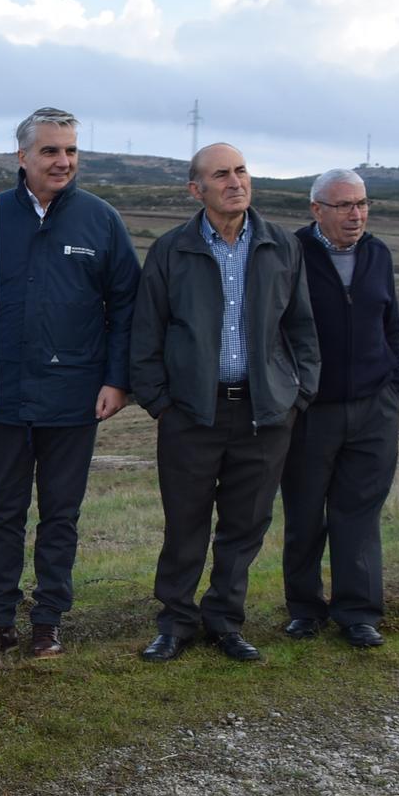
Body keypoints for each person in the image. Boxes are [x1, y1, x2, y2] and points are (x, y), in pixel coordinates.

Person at [130, 143, 320, 663]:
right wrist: (161, 403)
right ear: (197, 190)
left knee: (245, 524)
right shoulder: (172, 249)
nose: (236, 181)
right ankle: (175, 622)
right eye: (221, 174)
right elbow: (146, 333)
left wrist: (298, 395)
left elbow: (301, 327)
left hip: (265, 414)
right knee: (185, 522)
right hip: (191, 413)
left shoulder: (281, 245)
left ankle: (225, 621)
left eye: (241, 171)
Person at [0, 107, 140, 662]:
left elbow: (127, 306)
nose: (63, 161)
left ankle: (48, 622)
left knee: (61, 515)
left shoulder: (101, 220)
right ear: (22, 157)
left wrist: (118, 381)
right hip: (2, 396)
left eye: (70, 151)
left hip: (74, 398)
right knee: (4, 514)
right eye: (50, 151)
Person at [280, 169, 399, 649]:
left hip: (374, 408)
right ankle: (304, 609)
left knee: (359, 514)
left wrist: (396, 384)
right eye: (344, 205)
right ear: (316, 210)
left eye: (362, 204)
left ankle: (358, 614)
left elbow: (392, 324)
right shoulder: (291, 254)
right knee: (306, 513)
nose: (356, 215)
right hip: (312, 410)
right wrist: (293, 392)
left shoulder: (378, 253)